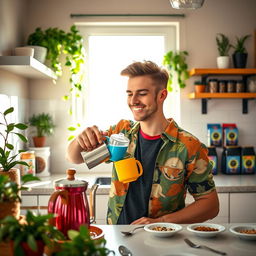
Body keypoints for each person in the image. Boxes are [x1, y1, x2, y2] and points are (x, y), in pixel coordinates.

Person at [66, 60, 219, 225]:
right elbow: (74, 158)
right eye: (130, 93)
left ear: (161, 95)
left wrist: (161, 222)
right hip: (119, 236)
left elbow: (210, 205)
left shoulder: (189, 146)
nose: (133, 100)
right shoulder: (120, 133)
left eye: (142, 93)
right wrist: (80, 140)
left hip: (163, 240)